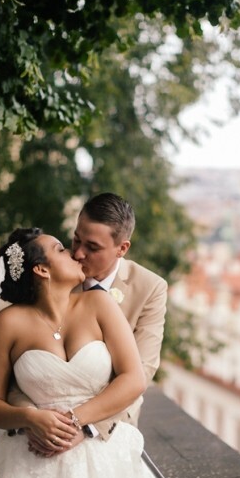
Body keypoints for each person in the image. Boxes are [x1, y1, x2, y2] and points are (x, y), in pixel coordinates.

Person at [0, 227, 166, 478]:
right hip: (30, 457)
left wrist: (76, 421)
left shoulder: (99, 303)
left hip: (103, 455)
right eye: (60, 249)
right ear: (42, 270)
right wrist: (30, 418)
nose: (74, 253)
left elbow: (134, 378)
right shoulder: (7, 324)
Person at [9, 192, 168, 454]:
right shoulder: (55, 278)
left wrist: (83, 427)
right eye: (76, 239)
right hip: (38, 437)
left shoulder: (150, 288)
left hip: (108, 434)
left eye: (92, 247)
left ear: (122, 248)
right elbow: (17, 368)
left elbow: (142, 370)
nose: (79, 253)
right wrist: (34, 420)